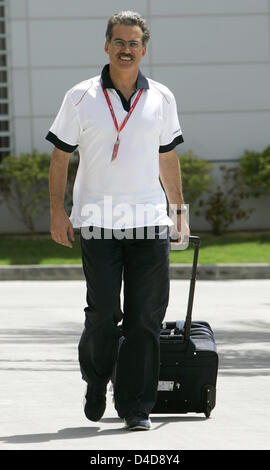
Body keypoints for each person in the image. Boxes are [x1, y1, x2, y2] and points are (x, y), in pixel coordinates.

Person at [46, 11, 190, 431]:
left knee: (145, 316)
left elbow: (167, 155)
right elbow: (60, 157)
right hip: (97, 223)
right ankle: (96, 381)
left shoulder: (161, 96)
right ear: (106, 46)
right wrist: (57, 210)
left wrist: (178, 211)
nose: (126, 50)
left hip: (149, 223)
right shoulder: (80, 96)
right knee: (103, 312)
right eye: (119, 42)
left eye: (134, 43)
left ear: (144, 49)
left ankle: (136, 406)